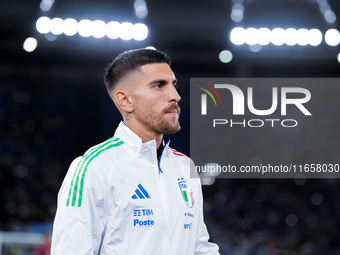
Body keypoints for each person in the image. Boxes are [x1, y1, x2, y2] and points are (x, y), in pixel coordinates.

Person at [50, 48, 220, 254]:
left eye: (173, 84)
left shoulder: (185, 166)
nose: (175, 96)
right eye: (159, 85)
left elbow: (199, 247)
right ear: (126, 101)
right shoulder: (94, 167)